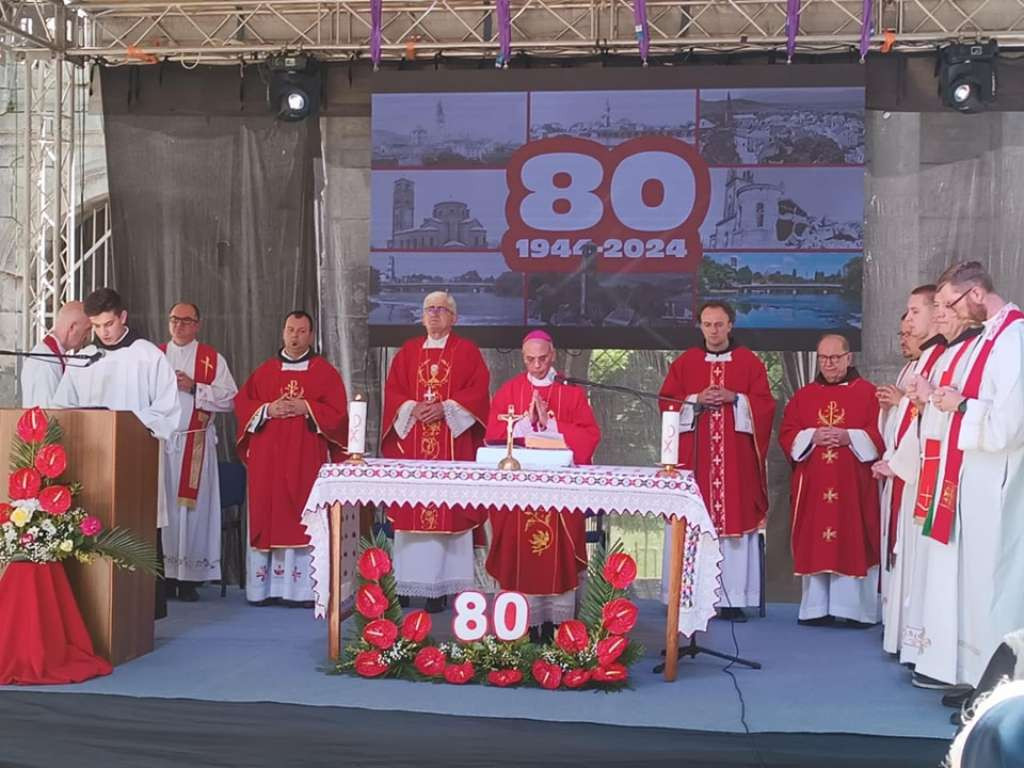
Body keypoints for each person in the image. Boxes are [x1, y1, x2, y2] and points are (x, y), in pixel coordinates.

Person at [912, 262, 1024, 693]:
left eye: (951, 303)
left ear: (976, 292)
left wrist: (959, 406)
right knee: (981, 581)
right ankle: (980, 678)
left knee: (1001, 580)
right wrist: (950, 400)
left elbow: (1009, 427)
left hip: (1001, 481)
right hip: (976, 477)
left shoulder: (1012, 338)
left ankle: (1000, 686)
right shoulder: (989, 338)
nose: (950, 313)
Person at [52, 287, 181, 619]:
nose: (102, 333)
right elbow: (63, 406)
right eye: (95, 326)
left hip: (135, 460)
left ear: (123, 317)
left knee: (138, 528)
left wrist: (127, 422)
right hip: (94, 463)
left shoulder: (148, 355)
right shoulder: (84, 358)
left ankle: (140, 610)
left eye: (108, 324)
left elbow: (168, 410)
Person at [890, 277, 982, 689]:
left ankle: (944, 659)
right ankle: (921, 648)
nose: (910, 321)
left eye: (917, 311)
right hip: (928, 468)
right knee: (925, 564)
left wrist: (925, 400)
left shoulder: (969, 351)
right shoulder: (941, 356)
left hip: (954, 473)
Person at [658, 301, 775, 622]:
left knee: (734, 524)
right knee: (693, 523)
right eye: (708, 324)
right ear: (700, 326)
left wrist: (735, 398)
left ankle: (732, 599)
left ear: (731, 325)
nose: (714, 330)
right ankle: (687, 596)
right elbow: (666, 403)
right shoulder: (686, 363)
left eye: (720, 324)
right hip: (696, 463)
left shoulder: (749, 363)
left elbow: (765, 406)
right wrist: (695, 400)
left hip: (735, 466)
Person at [484, 330, 601, 642]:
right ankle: (521, 620)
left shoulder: (572, 393)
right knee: (518, 550)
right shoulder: (510, 391)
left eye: (542, 358)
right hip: (519, 494)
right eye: (530, 359)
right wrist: (523, 422)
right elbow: (493, 434)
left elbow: (589, 436)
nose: (536, 366)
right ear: (523, 358)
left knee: (559, 552)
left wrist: (552, 424)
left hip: (560, 495)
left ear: (554, 356)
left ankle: (557, 622)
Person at [379, 292, 490, 613]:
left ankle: (442, 589)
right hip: (413, 445)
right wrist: (413, 408)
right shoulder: (408, 351)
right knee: (411, 513)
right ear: (422, 316)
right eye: (429, 310)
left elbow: (479, 391)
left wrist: (445, 408)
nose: (435, 315)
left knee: (448, 512)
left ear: (454, 317)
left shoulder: (466, 351)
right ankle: (405, 584)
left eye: (442, 310)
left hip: (451, 447)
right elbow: (393, 390)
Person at [234, 311, 347, 608]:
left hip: (305, 460)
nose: (295, 336)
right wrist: (268, 410)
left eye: (301, 331)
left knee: (301, 515)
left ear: (311, 336)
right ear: (283, 332)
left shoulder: (324, 372)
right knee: (268, 514)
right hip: (267, 463)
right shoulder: (265, 371)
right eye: (290, 330)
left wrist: (306, 407)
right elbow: (243, 405)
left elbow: (338, 416)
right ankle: (263, 590)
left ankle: (302, 592)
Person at [778, 334, 884, 627]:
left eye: (835, 358)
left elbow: (882, 434)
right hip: (814, 485)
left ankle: (855, 611)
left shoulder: (868, 394)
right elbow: (787, 433)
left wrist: (849, 436)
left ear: (849, 358)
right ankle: (816, 609)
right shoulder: (804, 396)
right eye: (824, 358)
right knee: (817, 542)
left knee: (853, 539)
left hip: (853, 485)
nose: (829, 364)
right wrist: (811, 435)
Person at [873, 286, 944, 654]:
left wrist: (898, 462)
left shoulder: (940, 358)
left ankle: (916, 641)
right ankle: (901, 633)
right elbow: (909, 418)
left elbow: (930, 417)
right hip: (904, 468)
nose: (908, 322)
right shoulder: (920, 363)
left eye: (914, 312)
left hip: (922, 476)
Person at [159, 302, 238, 602]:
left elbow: (231, 398)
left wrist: (195, 387)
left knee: (192, 510)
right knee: (164, 508)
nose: (179, 325)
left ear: (197, 324)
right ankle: (164, 575)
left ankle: (189, 577)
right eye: (174, 320)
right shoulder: (155, 355)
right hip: (162, 446)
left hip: (196, 444)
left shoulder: (211, 358)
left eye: (186, 320)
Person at [20, 301, 91, 407]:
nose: (88, 336)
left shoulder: (50, 355)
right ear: (72, 328)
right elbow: (49, 413)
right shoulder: (46, 362)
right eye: (87, 330)